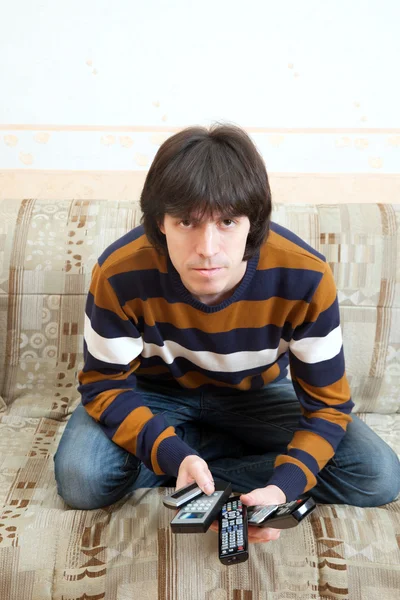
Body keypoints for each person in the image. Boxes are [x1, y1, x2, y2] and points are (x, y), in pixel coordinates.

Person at [54, 122, 400, 544]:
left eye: (227, 222)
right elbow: (105, 385)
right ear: (159, 223)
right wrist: (171, 451)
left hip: (253, 396)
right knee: (81, 480)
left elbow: (328, 408)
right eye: (185, 222)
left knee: (377, 474)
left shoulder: (305, 276)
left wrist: (281, 488)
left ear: (252, 222)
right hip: (154, 394)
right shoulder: (120, 271)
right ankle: (186, 455)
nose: (207, 248)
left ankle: (195, 461)